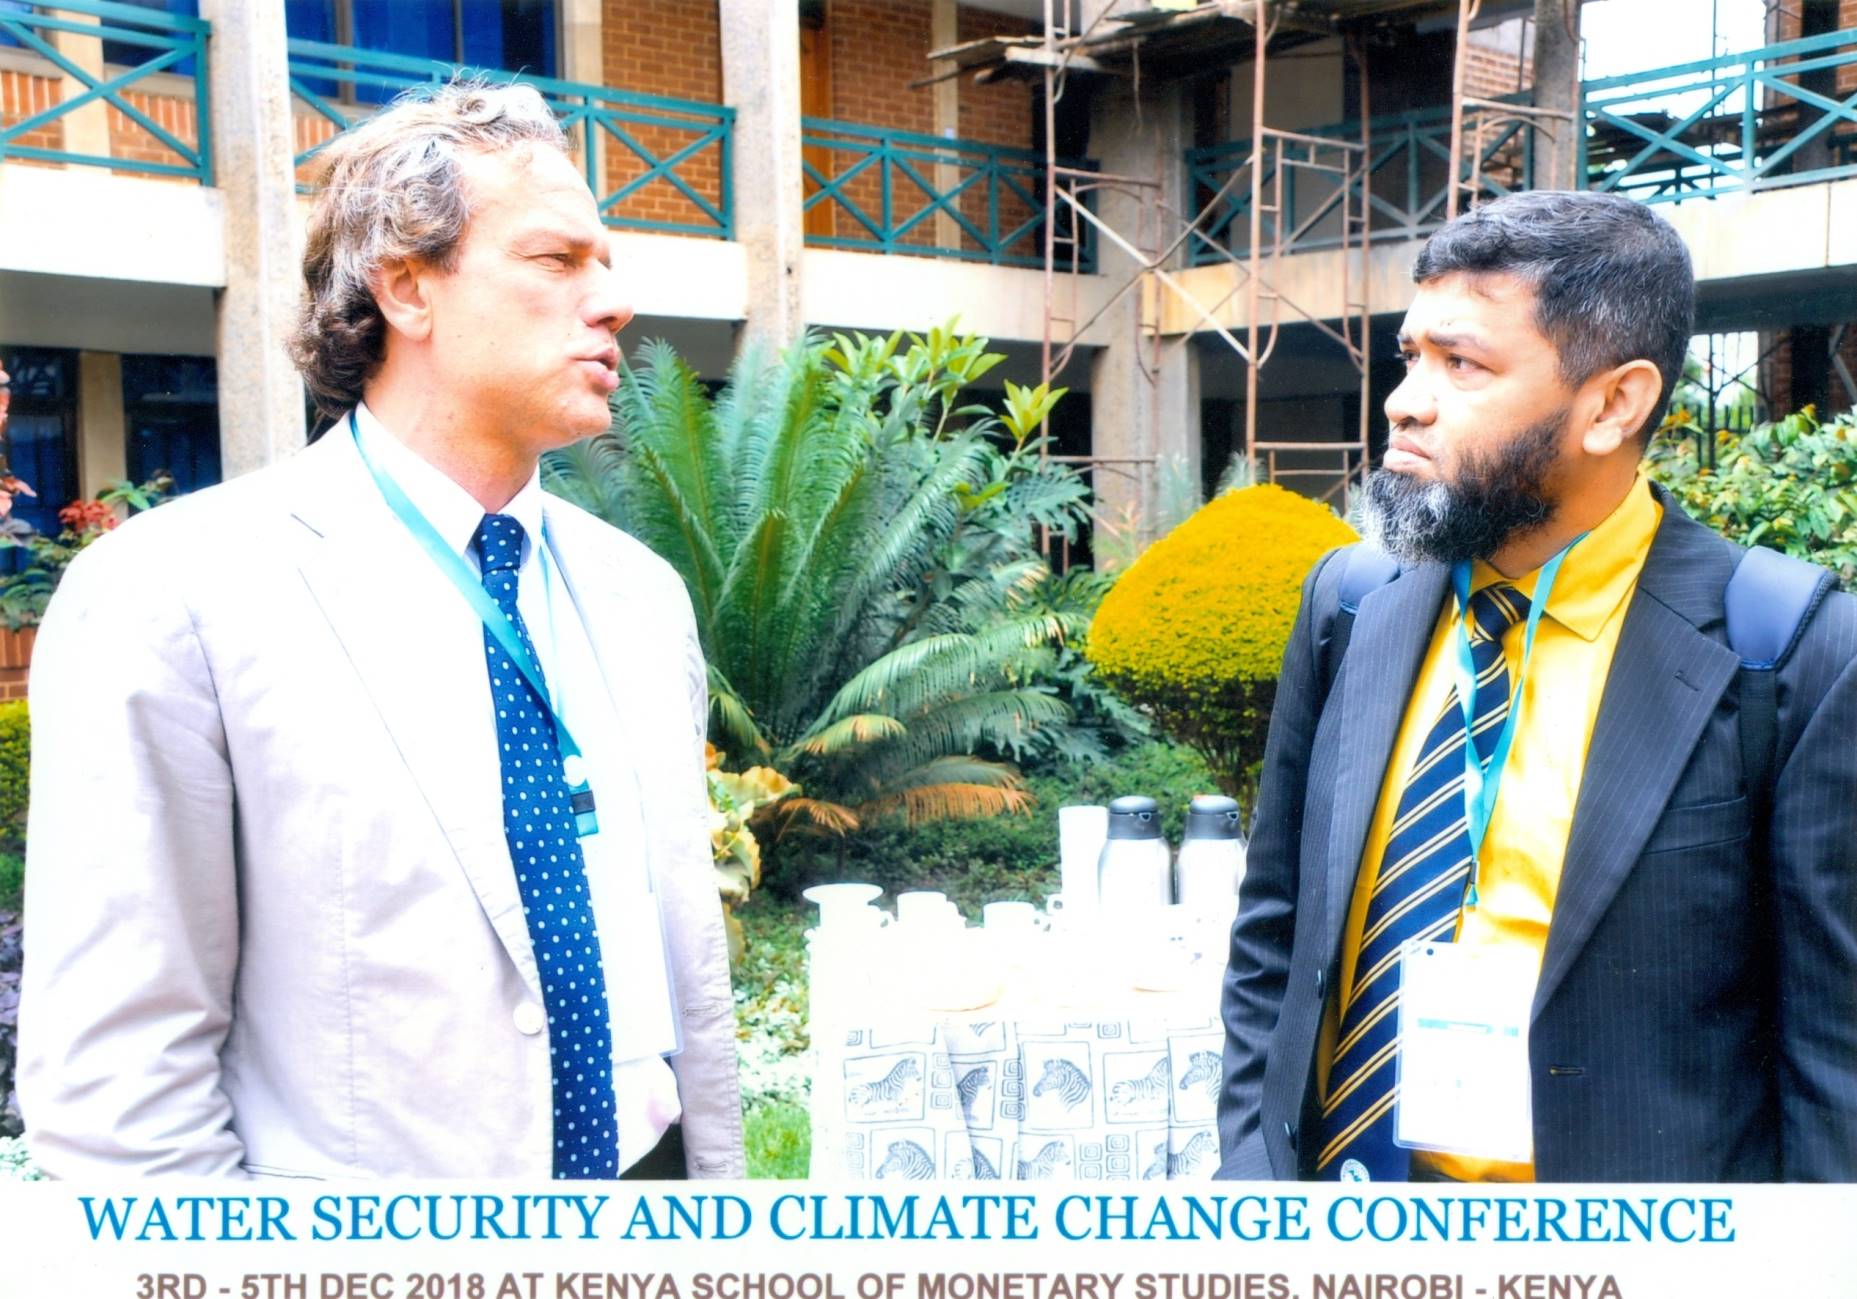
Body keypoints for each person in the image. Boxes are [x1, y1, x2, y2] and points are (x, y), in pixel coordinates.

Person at [17, 81, 744, 1179]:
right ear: (405, 287)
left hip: (655, 1203)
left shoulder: (641, 595)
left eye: (605, 264)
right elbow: (122, 1087)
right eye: (556, 260)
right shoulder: (173, 595)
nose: (612, 302)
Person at [1216, 190, 1857, 1183]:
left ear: (1612, 405)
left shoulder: (1791, 650)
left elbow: (1832, 1059)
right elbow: (1275, 933)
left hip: (1616, 1248)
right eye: (1409, 356)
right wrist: (1252, 1182)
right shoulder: (1350, 604)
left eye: (1461, 364)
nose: (1403, 401)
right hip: (1334, 1227)